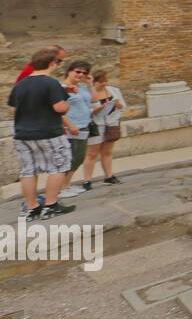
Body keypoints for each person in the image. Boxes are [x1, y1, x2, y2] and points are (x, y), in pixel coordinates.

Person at [6, 47, 76, 219]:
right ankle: (51, 205)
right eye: (59, 62)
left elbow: (13, 110)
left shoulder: (20, 84)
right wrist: (67, 104)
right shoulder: (50, 83)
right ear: (52, 63)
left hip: (23, 134)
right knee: (59, 166)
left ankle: (32, 207)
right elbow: (60, 108)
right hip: (48, 132)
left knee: (28, 170)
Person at [81, 69, 125, 190]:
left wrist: (118, 105)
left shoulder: (113, 91)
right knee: (92, 154)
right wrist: (97, 109)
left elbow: (123, 107)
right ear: (94, 82)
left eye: (105, 81)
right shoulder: (87, 93)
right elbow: (83, 111)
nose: (104, 84)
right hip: (95, 125)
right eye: (101, 82)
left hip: (111, 124)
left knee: (107, 152)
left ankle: (109, 176)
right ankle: (87, 180)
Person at [60, 60, 94, 198]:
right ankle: (62, 187)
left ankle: (66, 184)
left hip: (84, 125)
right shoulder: (62, 88)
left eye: (84, 73)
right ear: (69, 71)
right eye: (77, 71)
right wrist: (69, 125)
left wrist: (90, 84)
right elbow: (58, 109)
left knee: (78, 157)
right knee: (73, 157)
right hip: (72, 127)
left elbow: (94, 99)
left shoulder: (82, 87)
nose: (80, 75)